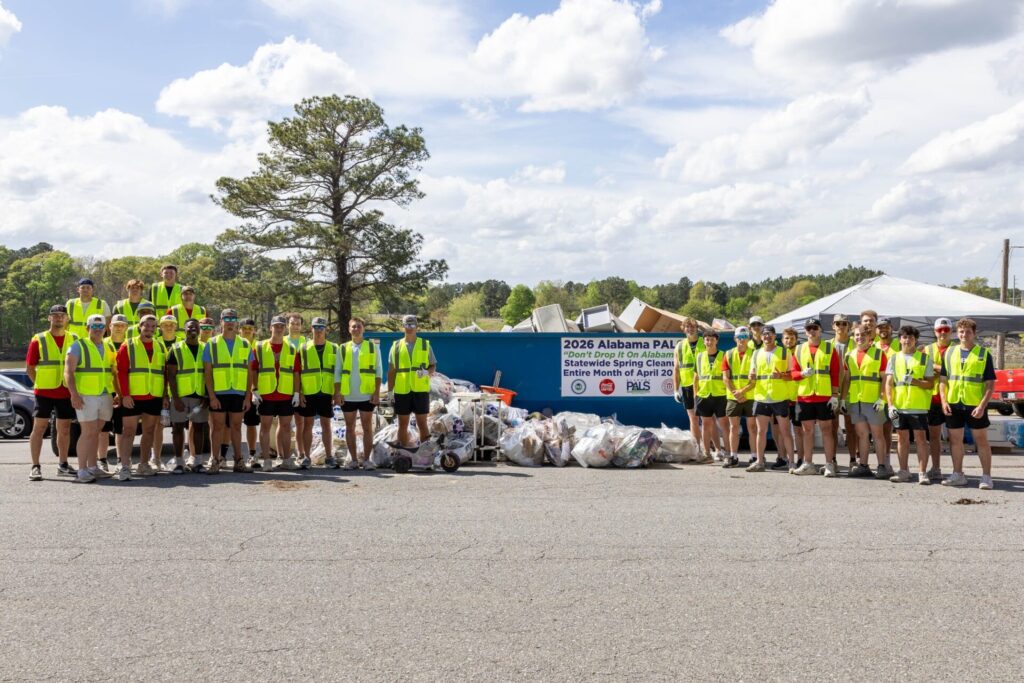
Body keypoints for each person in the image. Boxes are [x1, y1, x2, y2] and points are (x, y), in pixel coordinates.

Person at [939, 318, 996, 490]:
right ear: (957, 333)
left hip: (975, 404)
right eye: (961, 332)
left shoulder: (983, 354)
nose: (964, 335)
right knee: (955, 441)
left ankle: (986, 477)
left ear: (974, 333)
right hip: (954, 403)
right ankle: (958, 474)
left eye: (968, 332)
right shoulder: (949, 353)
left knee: (981, 441)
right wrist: (944, 401)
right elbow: (943, 380)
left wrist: (982, 406)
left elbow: (990, 384)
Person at [25, 305, 77, 481]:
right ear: (49, 318)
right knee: (39, 428)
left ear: (67, 318)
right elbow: (30, 368)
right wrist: (40, 383)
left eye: (62, 315)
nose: (58, 318)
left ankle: (63, 464)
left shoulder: (74, 339)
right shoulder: (38, 339)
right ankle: (35, 466)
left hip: (66, 391)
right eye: (55, 315)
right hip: (44, 392)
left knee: (65, 429)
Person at [64, 314, 115, 483]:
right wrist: (74, 394)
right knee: (87, 433)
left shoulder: (109, 347)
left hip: (105, 395)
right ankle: (82, 470)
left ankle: (93, 467)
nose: (98, 330)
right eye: (94, 326)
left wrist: (117, 393)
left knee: (96, 432)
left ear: (105, 329)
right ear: (87, 328)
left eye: (101, 327)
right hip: (86, 396)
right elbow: (68, 372)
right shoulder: (78, 345)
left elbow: (112, 372)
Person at [115, 314, 166, 479]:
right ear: (140, 326)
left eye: (153, 326)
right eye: (146, 325)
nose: (149, 329)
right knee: (128, 431)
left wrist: (165, 395)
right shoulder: (128, 345)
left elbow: (163, 373)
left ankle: (144, 464)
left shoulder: (160, 346)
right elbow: (121, 372)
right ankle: (124, 466)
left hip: (154, 395)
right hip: (133, 397)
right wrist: (125, 395)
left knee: (149, 431)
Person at [203, 308, 253, 474]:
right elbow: (207, 372)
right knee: (217, 427)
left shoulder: (245, 344)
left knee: (236, 427)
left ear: (236, 322)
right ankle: (215, 460)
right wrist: (211, 396)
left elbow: (249, 372)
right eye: (227, 319)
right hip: (219, 393)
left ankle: (239, 461)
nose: (230, 322)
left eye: (233, 319)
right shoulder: (212, 343)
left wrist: (248, 396)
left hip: (238, 393)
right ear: (221, 321)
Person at [789, 318, 840, 476]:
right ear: (805, 332)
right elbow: (793, 374)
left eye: (815, 328)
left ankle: (830, 464)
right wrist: (802, 374)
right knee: (807, 431)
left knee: (827, 430)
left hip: (824, 396)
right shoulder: (799, 349)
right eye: (809, 328)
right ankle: (808, 463)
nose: (812, 331)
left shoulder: (829, 348)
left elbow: (835, 372)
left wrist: (835, 395)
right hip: (805, 396)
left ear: (820, 330)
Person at [839, 324, 891, 479]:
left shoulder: (879, 354)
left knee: (877, 434)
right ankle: (863, 466)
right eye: (856, 335)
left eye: (862, 335)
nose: (859, 338)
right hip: (856, 400)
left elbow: (885, 378)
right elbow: (847, 379)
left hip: (874, 400)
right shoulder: (849, 355)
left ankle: (882, 467)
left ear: (869, 337)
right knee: (862, 434)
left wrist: (882, 398)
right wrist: (843, 399)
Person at [884, 326, 935, 484]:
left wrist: (915, 381)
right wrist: (890, 405)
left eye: (911, 337)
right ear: (900, 339)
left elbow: (930, 384)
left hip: (918, 406)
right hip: (899, 406)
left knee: (921, 439)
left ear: (916, 340)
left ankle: (922, 473)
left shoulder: (924, 359)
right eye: (905, 337)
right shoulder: (893, 358)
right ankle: (903, 471)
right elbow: (888, 384)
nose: (907, 340)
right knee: (901, 439)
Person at [252, 315, 303, 471]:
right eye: (276, 326)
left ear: (285, 328)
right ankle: (267, 461)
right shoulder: (259, 347)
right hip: (266, 394)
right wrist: (254, 390)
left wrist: (296, 393)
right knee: (265, 427)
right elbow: (253, 370)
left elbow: (296, 373)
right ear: (270, 328)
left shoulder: (292, 349)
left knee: (286, 427)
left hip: (285, 394)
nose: (279, 329)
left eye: (281, 326)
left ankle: (286, 460)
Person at [335, 317, 382, 469]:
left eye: (358, 326)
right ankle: (354, 460)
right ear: (349, 329)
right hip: (348, 394)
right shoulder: (343, 348)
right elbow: (338, 372)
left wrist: (376, 393)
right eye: (353, 327)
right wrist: (338, 393)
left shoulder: (372, 347)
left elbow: (378, 371)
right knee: (350, 428)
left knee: (367, 428)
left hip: (366, 394)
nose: (356, 329)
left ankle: (367, 460)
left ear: (363, 328)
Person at [747, 324, 793, 472]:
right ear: (761, 337)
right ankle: (760, 462)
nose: (767, 336)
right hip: (761, 397)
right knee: (761, 431)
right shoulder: (756, 353)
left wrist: (781, 376)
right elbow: (752, 375)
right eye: (764, 334)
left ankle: (791, 463)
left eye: (770, 334)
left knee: (785, 432)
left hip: (780, 397)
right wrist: (751, 376)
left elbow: (792, 375)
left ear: (774, 336)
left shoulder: (784, 352)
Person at [388, 314, 435, 448]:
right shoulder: (396, 346)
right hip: (402, 391)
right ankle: (402, 453)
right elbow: (391, 371)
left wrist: (426, 372)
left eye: (412, 324)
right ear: (403, 326)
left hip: (420, 390)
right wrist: (390, 392)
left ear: (416, 326)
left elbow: (433, 365)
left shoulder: (425, 345)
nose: (409, 327)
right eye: (407, 325)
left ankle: (425, 453)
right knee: (402, 424)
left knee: (422, 423)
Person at [167, 319, 207, 474]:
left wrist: (206, 396)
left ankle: (197, 461)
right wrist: (175, 398)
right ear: (184, 330)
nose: (193, 329)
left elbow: (208, 373)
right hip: (181, 395)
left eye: (196, 327)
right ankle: (179, 462)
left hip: (199, 394)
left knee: (199, 427)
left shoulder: (205, 348)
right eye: (190, 327)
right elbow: (171, 375)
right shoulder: (176, 349)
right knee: (177, 428)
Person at [297, 317, 338, 468]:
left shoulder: (334, 348)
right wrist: (299, 392)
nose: (319, 330)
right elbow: (298, 372)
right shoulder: (303, 348)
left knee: (326, 424)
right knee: (307, 424)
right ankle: (306, 457)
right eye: (316, 327)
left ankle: (329, 457)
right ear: (311, 329)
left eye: (321, 327)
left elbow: (337, 372)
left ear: (326, 329)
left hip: (326, 391)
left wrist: (337, 392)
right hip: (309, 391)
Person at [693, 330, 731, 467]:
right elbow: (696, 377)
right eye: (707, 339)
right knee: (705, 425)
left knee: (724, 426)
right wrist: (695, 394)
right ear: (703, 341)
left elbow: (728, 376)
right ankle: (707, 454)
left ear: (716, 341)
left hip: (721, 395)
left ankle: (728, 454)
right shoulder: (699, 356)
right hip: (704, 395)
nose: (709, 342)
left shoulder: (724, 355)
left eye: (712, 339)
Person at [99, 314, 131, 472]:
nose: (119, 328)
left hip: (124, 392)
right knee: (103, 428)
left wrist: (124, 392)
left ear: (126, 328)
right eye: (116, 325)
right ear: (109, 326)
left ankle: (120, 460)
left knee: (121, 428)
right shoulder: (101, 343)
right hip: (106, 391)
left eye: (122, 325)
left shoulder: (130, 344)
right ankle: (102, 460)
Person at [672, 317, 707, 459]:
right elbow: (676, 369)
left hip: (704, 386)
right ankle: (697, 449)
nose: (690, 329)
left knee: (707, 420)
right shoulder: (679, 346)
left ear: (697, 328)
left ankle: (709, 450)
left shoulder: (705, 342)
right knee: (693, 419)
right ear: (683, 329)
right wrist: (676, 390)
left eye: (693, 327)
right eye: (687, 327)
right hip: (687, 387)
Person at [924, 318, 954, 482]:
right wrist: (943, 370)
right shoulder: (927, 349)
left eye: (946, 330)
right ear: (935, 332)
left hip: (953, 398)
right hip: (933, 398)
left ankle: (957, 471)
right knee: (934, 436)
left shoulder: (957, 349)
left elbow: (957, 370)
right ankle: (936, 468)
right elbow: (922, 369)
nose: (943, 333)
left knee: (955, 438)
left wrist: (935, 368)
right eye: (939, 330)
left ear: (951, 331)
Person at [722, 326, 755, 466]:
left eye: (745, 337)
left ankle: (755, 456)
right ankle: (733, 457)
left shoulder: (755, 354)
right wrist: (736, 393)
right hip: (733, 396)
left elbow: (756, 378)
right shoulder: (728, 354)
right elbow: (725, 377)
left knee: (752, 428)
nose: (742, 340)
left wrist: (743, 391)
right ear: (735, 338)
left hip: (751, 396)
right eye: (739, 337)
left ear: (749, 338)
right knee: (733, 428)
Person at [829, 314, 856, 469]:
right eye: (838, 323)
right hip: (831, 392)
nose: (841, 326)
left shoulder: (856, 343)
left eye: (844, 323)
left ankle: (853, 460)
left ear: (849, 326)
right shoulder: (827, 345)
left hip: (851, 392)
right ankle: (832, 460)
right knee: (832, 428)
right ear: (833, 326)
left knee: (851, 429)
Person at [285, 313, 310, 467]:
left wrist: (301, 390)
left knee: (300, 423)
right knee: (284, 424)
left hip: (301, 388)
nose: (295, 326)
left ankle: (301, 453)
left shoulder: (306, 343)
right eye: (292, 323)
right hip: (284, 387)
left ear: (301, 326)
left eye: (298, 324)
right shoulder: (282, 341)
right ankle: (284, 455)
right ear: (287, 325)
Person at [238, 318, 262, 467]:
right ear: (239, 329)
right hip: (236, 389)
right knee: (232, 424)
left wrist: (256, 389)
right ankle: (229, 456)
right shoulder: (235, 344)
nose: (247, 331)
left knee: (251, 423)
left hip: (254, 391)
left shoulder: (259, 346)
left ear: (254, 330)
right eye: (244, 328)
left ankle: (252, 455)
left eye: (250, 328)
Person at [781, 327, 805, 470]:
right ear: (782, 340)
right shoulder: (779, 353)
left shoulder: (800, 352)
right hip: (781, 397)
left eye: (791, 338)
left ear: (796, 339)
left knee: (798, 430)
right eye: (786, 338)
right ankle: (783, 457)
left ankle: (801, 458)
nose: (788, 341)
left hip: (797, 397)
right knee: (782, 431)